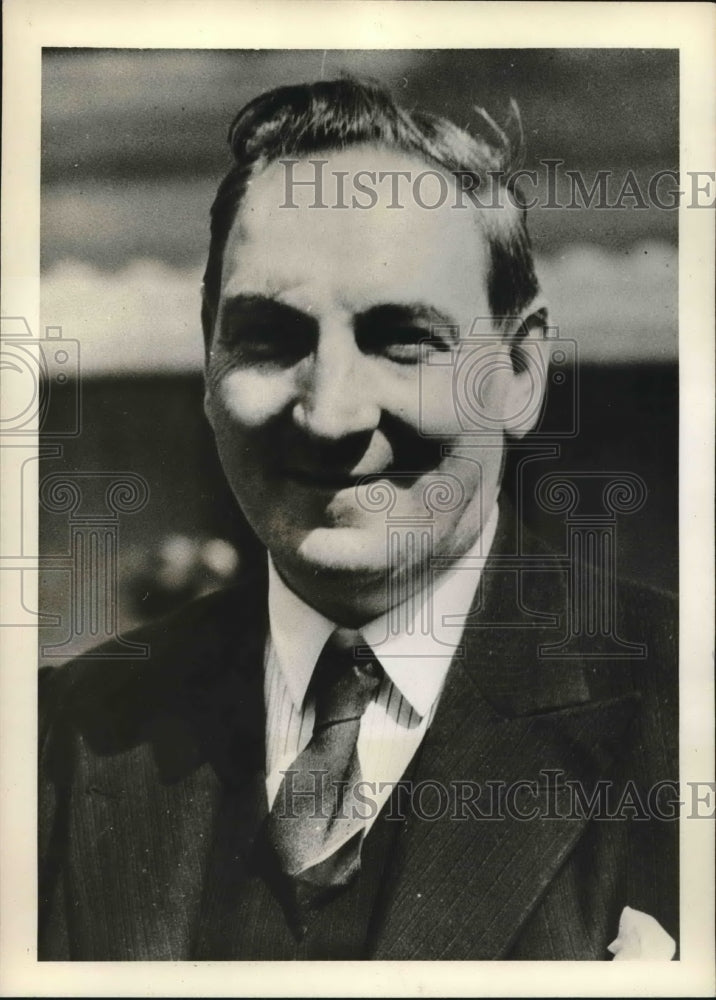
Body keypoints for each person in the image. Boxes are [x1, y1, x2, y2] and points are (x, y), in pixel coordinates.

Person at [38, 78, 678, 961]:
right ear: (208, 365)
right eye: (269, 340)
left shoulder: (683, 711)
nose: (330, 414)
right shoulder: (63, 738)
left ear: (521, 374)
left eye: (402, 340)